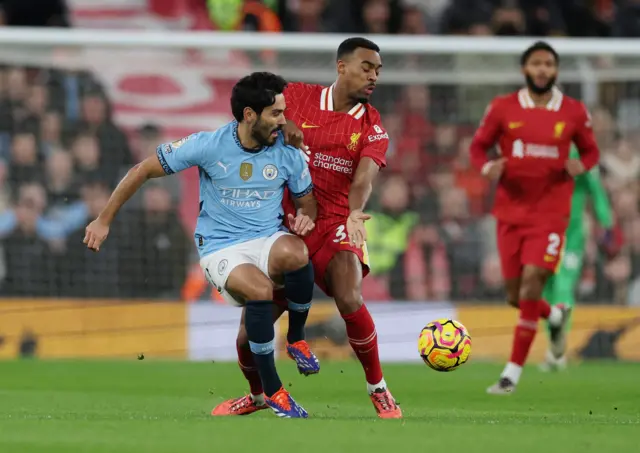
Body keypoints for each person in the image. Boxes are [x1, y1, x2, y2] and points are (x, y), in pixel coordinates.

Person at [83, 72, 318, 418]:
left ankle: (296, 337)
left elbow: (306, 201)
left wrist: (306, 216)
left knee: (298, 254)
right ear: (249, 115)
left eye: (284, 113)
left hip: (268, 239)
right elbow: (142, 170)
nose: (284, 121)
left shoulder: (288, 152)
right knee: (259, 291)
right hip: (221, 247)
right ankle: (274, 392)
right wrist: (104, 219)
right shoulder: (209, 145)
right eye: (276, 114)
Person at [214, 37, 402, 419]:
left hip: (334, 222)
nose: (374, 77)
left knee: (349, 294)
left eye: (378, 71)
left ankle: (378, 389)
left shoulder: (372, 125)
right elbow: (257, 114)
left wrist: (354, 212)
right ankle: (258, 395)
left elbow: (364, 178)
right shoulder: (295, 96)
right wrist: (289, 124)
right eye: (367, 67)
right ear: (342, 67)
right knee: (247, 339)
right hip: (284, 228)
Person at [469, 41, 601, 394]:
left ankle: (510, 375)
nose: (542, 69)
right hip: (510, 212)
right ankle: (555, 317)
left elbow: (591, 150)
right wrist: (487, 167)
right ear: (525, 69)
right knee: (515, 296)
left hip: (551, 214)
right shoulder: (503, 108)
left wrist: (581, 165)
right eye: (536, 63)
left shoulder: (573, 111)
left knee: (531, 286)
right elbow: (478, 146)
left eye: (548, 64)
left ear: (556, 71)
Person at [540, 144, 618, 371]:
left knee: (563, 287)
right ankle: (554, 344)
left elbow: (596, 190)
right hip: (543, 234)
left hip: (571, 237)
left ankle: (557, 346)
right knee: (545, 291)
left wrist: (607, 223)